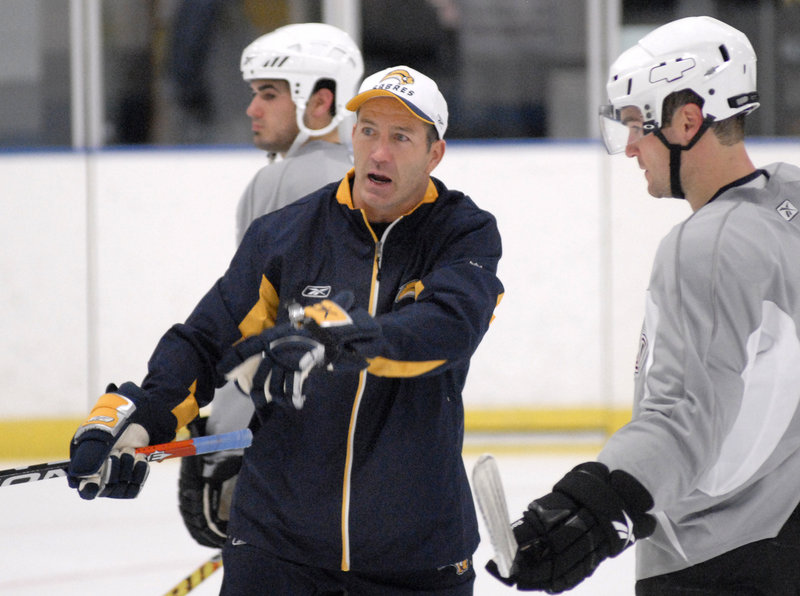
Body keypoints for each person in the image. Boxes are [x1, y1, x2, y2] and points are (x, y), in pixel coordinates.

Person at [66, 65, 504, 595]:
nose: (378, 152)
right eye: (367, 130)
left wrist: (336, 340)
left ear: (435, 154)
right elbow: (207, 341)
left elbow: (448, 327)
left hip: (416, 556)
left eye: (400, 137)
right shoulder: (286, 233)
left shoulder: (462, 232)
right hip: (278, 547)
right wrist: (140, 416)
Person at [486, 15, 800, 595]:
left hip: (718, 560)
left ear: (687, 120)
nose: (629, 147)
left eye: (637, 125)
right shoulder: (788, 203)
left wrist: (587, 509)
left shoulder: (709, 241)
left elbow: (685, 414)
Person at [176, 21, 364, 551]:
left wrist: (222, 438)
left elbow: (260, 330)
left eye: (268, 94)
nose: (252, 109)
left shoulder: (282, 182)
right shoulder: (372, 175)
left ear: (320, 100)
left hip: (288, 446)